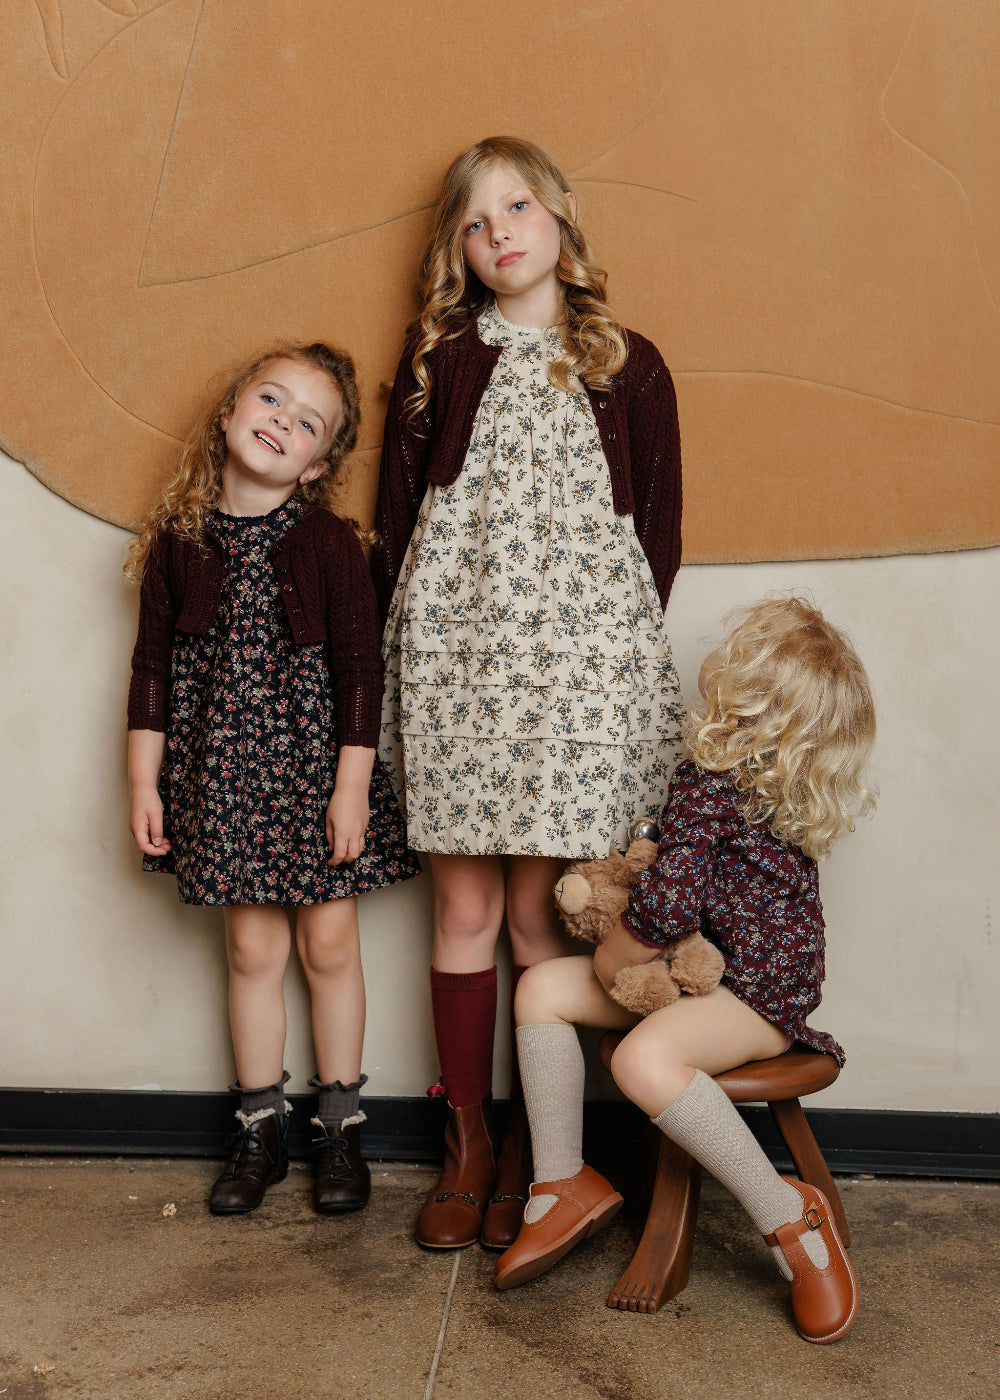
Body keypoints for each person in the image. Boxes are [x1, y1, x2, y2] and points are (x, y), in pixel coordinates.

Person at [374, 136, 684, 1250]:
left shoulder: (629, 364)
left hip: (576, 680)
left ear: (560, 211)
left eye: (515, 207)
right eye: (473, 221)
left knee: (536, 913)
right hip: (459, 666)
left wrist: (601, 659)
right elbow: (397, 525)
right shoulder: (440, 361)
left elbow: (657, 537)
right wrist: (406, 663)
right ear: (456, 250)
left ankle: (536, 1148)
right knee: (463, 909)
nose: (498, 232)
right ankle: (467, 1141)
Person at [495, 596, 876, 1345]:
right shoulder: (771, 777)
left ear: (744, 691)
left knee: (642, 1058)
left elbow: (669, 903)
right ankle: (561, 1182)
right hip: (708, 971)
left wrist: (613, 954)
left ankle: (788, 1217)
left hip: (754, 994)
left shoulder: (712, 775)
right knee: (540, 990)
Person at [126, 342, 420, 1216]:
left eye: (307, 422)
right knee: (252, 952)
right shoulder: (180, 543)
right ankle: (258, 1131)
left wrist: (350, 789)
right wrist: (143, 784)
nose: (281, 422)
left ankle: (340, 1128)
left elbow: (360, 673)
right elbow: (150, 673)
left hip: (313, 774)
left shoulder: (328, 543)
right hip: (222, 779)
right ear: (229, 412)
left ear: (317, 465)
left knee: (329, 948)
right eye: (270, 399)